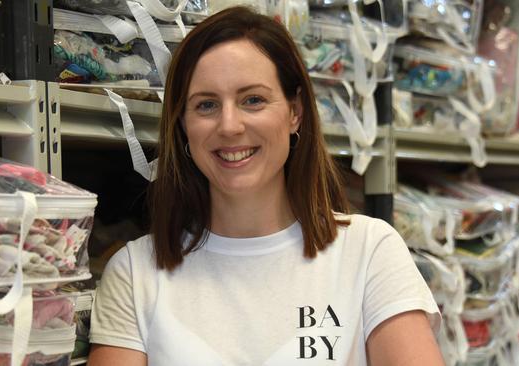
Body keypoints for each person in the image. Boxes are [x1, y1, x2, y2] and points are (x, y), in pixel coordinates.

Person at [88, 6, 443, 366]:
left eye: (252, 100)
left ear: (295, 112)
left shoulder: (368, 251)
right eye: (206, 105)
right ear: (183, 125)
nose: (229, 126)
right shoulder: (135, 273)